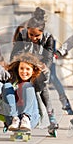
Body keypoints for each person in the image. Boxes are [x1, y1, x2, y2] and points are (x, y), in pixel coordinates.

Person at [10, 7, 59, 136]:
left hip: (39, 68)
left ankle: (51, 115)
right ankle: (14, 118)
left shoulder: (49, 38)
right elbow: (15, 52)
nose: (33, 38)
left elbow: (48, 57)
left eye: (37, 35)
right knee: (18, 90)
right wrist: (22, 62)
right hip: (24, 67)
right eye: (31, 35)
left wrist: (42, 66)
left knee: (42, 88)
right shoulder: (22, 34)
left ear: (42, 32)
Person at [0, 46, 48, 131]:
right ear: (17, 68)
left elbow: (43, 82)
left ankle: (25, 117)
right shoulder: (12, 78)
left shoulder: (35, 82)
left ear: (33, 71)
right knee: (7, 86)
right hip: (12, 120)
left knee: (27, 85)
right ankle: (14, 118)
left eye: (28, 69)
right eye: (21, 68)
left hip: (31, 119)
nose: (24, 72)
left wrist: (45, 71)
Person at [13, 21, 73, 115]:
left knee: (52, 78)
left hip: (46, 61)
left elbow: (48, 53)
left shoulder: (45, 37)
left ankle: (65, 104)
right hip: (32, 63)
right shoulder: (22, 39)